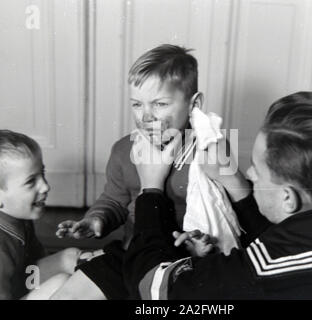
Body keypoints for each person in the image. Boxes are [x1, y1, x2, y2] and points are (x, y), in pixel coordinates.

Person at [124, 91, 312, 299]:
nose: (251, 175)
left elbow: (156, 288)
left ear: (288, 198)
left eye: (256, 168)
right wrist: (230, 178)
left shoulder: (257, 272)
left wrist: (151, 189)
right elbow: (291, 243)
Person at [51, 44, 205, 299]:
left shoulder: (211, 153)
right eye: (136, 105)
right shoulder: (125, 151)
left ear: (194, 104)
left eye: (160, 104)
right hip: (132, 257)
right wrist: (95, 220)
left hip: (183, 268)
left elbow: (228, 217)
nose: (145, 116)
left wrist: (203, 239)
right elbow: (114, 200)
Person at [0, 130, 81, 300]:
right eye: (31, 181)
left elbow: (34, 257)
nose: (45, 186)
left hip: (14, 280)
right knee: (61, 283)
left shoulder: (15, 215)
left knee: (71, 257)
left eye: (42, 174)